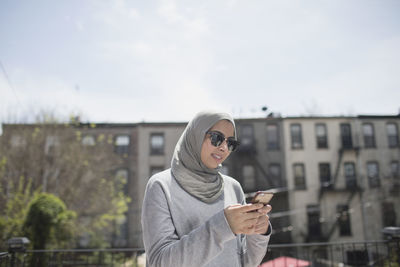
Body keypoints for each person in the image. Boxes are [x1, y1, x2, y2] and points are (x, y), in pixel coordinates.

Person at [141, 110, 272, 267]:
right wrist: (223, 227)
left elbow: (246, 262)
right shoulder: (161, 185)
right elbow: (159, 263)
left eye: (231, 143)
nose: (224, 148)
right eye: (217, 138)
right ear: (196, 135)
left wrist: (259, 234)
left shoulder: (233, 187)